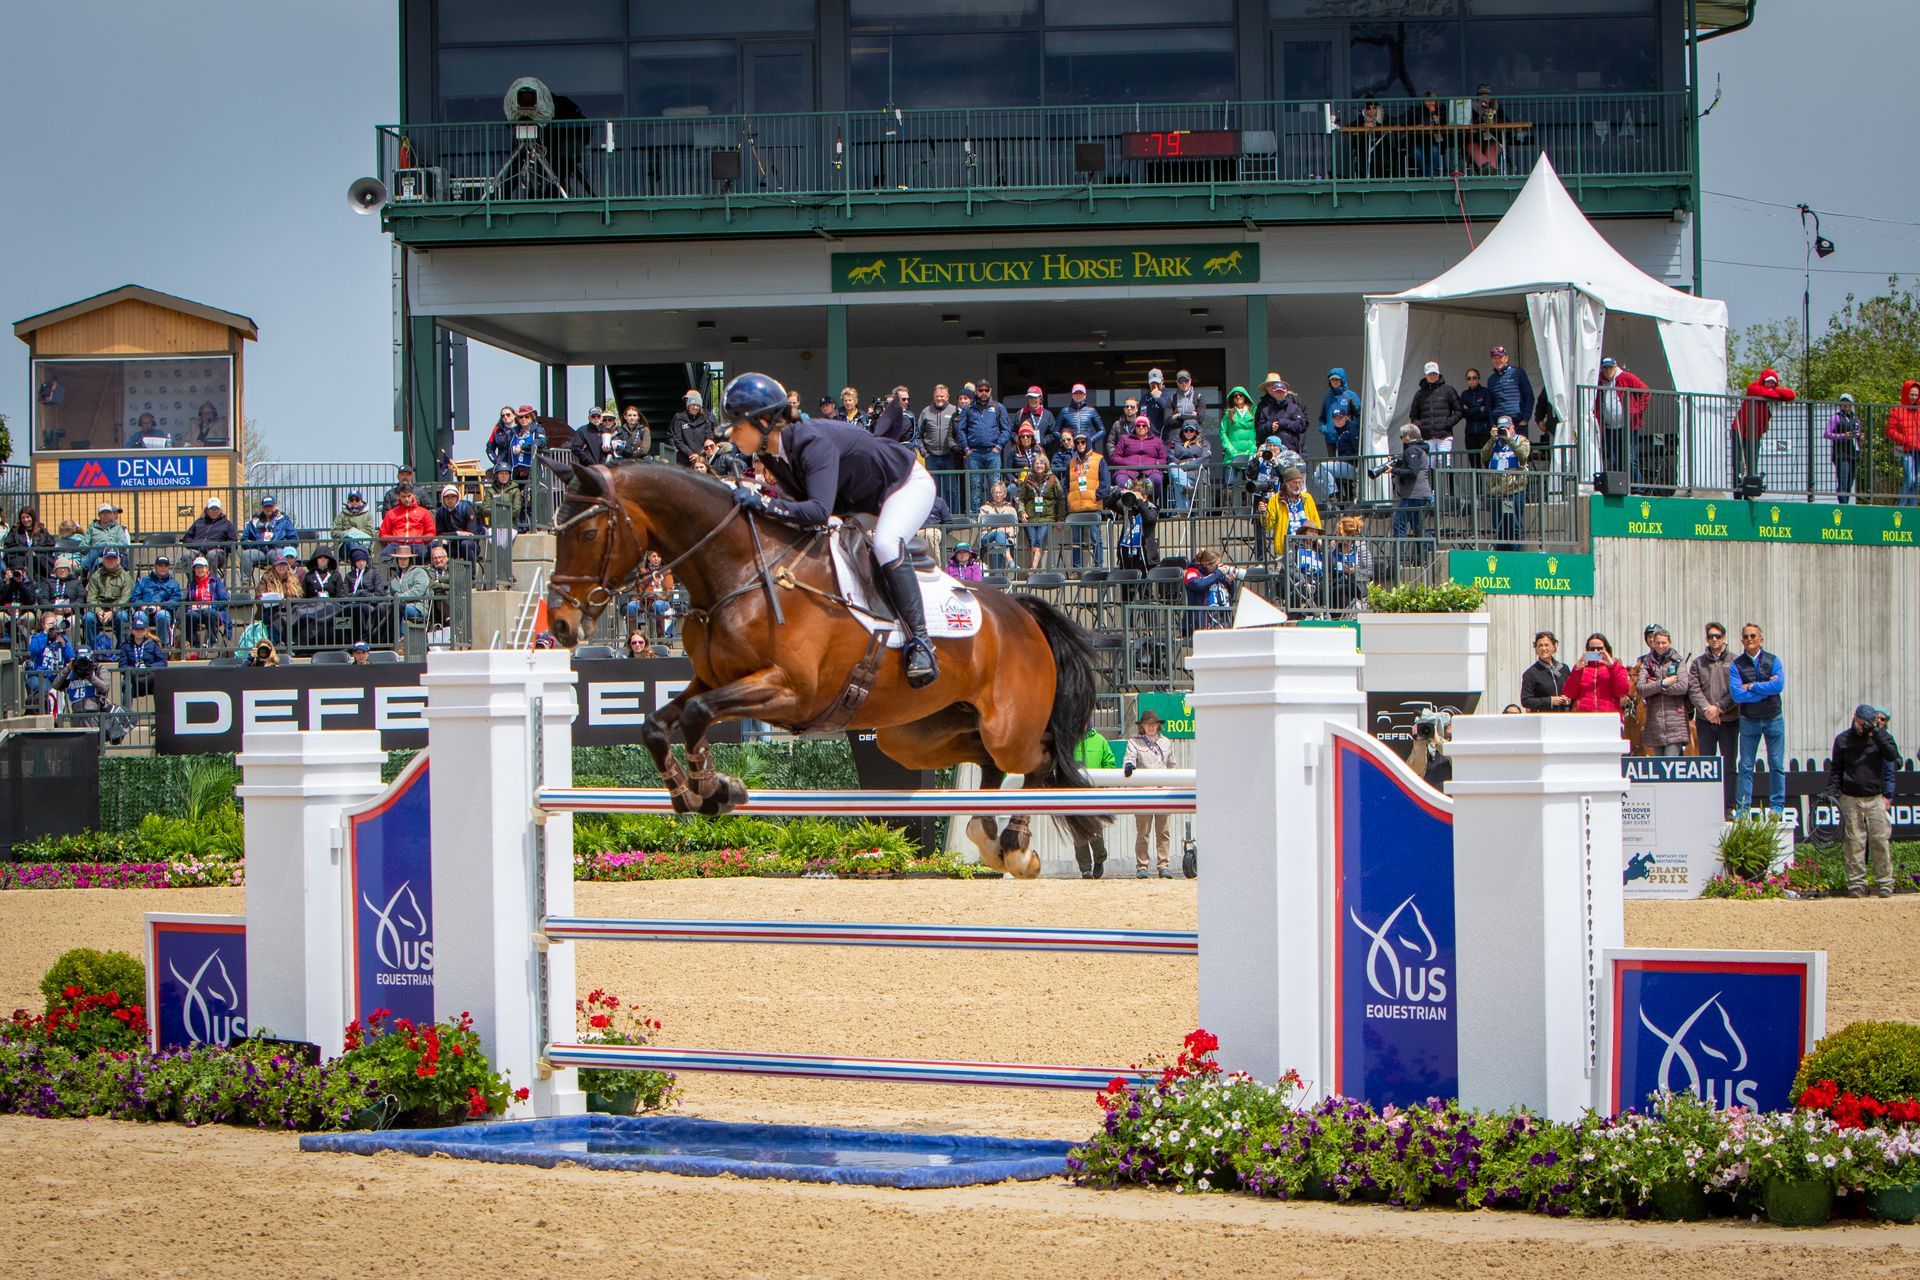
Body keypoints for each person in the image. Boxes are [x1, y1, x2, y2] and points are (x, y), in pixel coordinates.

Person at [720, 371, 942, 687]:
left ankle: (922, 643)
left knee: (887, 543)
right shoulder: (770, 455)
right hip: (860, 502)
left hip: (904, 485)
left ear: (765, 420)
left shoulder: (812, 442)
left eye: (736, 426)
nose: (731, 434)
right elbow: (805, 509)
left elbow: (818, 511)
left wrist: (762, 504)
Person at [1829, 706, 1900, 897]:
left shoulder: (1880, 738)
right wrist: (1831, 792)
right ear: (1855, 719)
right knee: (1854, 842)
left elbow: (1894, 758)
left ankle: (1885, 882)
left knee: (1879, 840)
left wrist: (1877, 733)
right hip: (1850, 797)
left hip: (1875, 797)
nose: (1862, 727)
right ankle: (1857, 884)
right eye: (1860, 723)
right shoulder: (1843, 740)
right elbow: (1836, 770)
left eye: (1866, 724)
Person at [1729, 623, 1787, 819]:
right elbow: (1737, 695)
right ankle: (1744, 809)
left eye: (1753, 635)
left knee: (1776, 764)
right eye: (1745, 636)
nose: (1749, 639)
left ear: (1761, 638)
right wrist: (1764, 691)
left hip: (1773, 718)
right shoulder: (1737, 664)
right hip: (1749, 719)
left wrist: (1752, 686)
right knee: (1745, 765)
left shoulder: (1773, 660)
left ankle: (1777, 807)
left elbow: (1778, 686)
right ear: (1742, 640)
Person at [1688, 621, 1741, 812]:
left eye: (1718, 636)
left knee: (1729, 766)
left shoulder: (1736, 661)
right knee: (1706, 765)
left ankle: (1728, 808)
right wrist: (1708, 711)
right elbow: (1694, 690)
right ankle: (1707, 807)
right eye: (1711, 636)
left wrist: (1719, 708)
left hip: (1729, 720)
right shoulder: (1697, 663)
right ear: (1707, 639)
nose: (1714, 639)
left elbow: (1737, 690)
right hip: (1705, 722)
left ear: (1724, 638)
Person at [1123, 709, 1178, 878]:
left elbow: (1172, 765)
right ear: (1143, 726)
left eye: (1153, 724)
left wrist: (1172, 787)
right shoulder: (1135, 742)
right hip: (1143, 792)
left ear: (1158, 726)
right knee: (1143, 832)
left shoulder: (1166, 742)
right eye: (1148, 724)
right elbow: (1129, 758)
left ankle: (1163, 865)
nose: (1151, 727)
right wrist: (1129, 765)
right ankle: (1142, 866)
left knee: (1163, 831)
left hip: (1162, 792)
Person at [1633, 626, 1694, 757]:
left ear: (1669, 643)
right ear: (1653, 643)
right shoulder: (1647, 663)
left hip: (1675, 722)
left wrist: (1654, 687)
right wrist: (1663, 683)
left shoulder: (1678, 661)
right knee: (1659, 768)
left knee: (1670, 764)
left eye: (1664, 643)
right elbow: (1641, 689)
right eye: (1658, 643)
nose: (1661, 646)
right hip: (1655, 722)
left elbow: (1683, 686)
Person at [1732, 369, 1795, 492]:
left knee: (1752, 464)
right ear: (1763, 380)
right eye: (1768, 381)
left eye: (1773, 382)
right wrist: (1775, 394)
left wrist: (1773, 391)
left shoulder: (1771, 391)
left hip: (1755, 434)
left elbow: (1791, 394)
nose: (1771, 384)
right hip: (1740, 430)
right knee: (1739, 463)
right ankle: (1737, 492)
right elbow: (1757, 391)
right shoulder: (1754, 387)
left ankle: (1749, 492)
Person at [1593, 357, 1649, 487]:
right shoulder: (1600, 381)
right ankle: (1619, 487)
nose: (1607, 371)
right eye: (1605, 368)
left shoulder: (1626, 377)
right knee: (1615, 461)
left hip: (1627, 426)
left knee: (1630, 459)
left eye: (1610, 368)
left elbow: (1645, 391)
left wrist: (1637, 410)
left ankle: (1637, 488)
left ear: (1615, 367)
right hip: (1609, 427)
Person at [1070, 724, 1116, 879]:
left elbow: (1109, 763)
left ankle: (1099, 858)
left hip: (1094, 794)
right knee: (1078, 835)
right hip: (1075, 795)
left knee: (1095, 833)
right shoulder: (1069, 741)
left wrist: (1102, 781)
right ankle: (1085, 868)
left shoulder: (1100, 740)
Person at [957, 384, 1012, 512]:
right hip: (974, 453)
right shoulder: (968, 408)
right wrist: (966, 448)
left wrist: (998, 447)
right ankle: (976, 514)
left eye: (986, 390)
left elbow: (1006, 429)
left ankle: (996, 512)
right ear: (976, 391)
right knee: (975, 485)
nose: (983, 392)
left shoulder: (998, 407)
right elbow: (961, 430)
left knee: (995, 485)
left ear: (990, 391)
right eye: (980, 390)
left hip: (992, 452)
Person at [1482, 414, 1531, 549]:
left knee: (1513, 525)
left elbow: (1523, 456)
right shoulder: (1495, 442)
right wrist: (1492, 439)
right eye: (1501, 429)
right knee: (1499, 525)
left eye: (1507, 429)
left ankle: (1515, 555)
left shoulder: (1521, 440)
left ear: (1513, 428)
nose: (1504, 432)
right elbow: (1484, 456)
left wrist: (1510, 440)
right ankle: (1502, 554)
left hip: (1513, 490)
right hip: (1496, 491)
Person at [1063, 432, 1109, 570]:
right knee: (1076, 542)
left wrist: (1095, 496)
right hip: (1075, 508)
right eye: (1077, 443)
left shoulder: (1099, 459)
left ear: (1088, 442)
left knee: (1095, 539)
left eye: (1083, 442)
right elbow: (1066, 485)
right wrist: (1069, 498)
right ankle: (1077, 569)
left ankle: (1098, 567)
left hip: (1093, 506)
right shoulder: (1071, 463)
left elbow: (1106, 484)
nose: (1080, 445)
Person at [1562, 633, 1632, 718]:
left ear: (1606, 650)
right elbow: (1569, 693)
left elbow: (1623, 690)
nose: (1596, 652)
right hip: (1583, 717)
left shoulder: (1617, 667)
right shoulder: (1581, 668)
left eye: (1599, 649)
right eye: (1592, 649)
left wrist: (1612, 667)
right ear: (1587, 651)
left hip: (1609, 717)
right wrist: (1577, 670)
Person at [1013, 457, 1063, 571]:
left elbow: (1061, 498)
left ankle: (1033, 568)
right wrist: (1022, 512)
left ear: (1046, 465)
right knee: (1032, 541)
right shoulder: (1028, 479)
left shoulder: (1053, 479)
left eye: (1041, 463)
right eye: (1036, 463)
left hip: (1047, 518)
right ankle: (1035, 569)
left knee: (1038, 540)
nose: (1039, 465)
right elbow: (1021, 498)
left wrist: (1060, 518)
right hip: (1031, 518)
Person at [1389, 424, 1432, 554]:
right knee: (1418, 527)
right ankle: (1430, 552)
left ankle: (1397, 558)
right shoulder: (1421, 449)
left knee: (1399, 523)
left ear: (1408, 436)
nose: (1401, 440)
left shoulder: (1412, 450)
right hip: (1422, 494)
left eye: (1402, 437)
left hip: (1412, 494)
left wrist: (1394, 470)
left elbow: (1412, 472)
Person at [1263, 466, 1320, 564]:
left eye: (1300, 482)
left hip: (1308, 546)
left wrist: (1318, 541)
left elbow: (1316, 523)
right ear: (1286, 484)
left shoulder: (1307, 498)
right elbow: (1268, 525)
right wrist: (1264, 513)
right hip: (1286, 548)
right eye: (1295, 482)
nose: (1298, 485)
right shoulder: (1275, 500)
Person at [1410, 361, 1464, 463]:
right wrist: (1423, 426)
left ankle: (1447, 479)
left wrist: (1447, 423)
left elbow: (1459, 411)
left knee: (1444, 463)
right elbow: (1413, 416)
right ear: (1425, 375)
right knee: (1429, 464)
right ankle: (1432, 480)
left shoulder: (1448, 390)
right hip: (1427, 437)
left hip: (1444, 435)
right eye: (1430, 374)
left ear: (1438, 374)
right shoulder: (1419, 394)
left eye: (1434, 373)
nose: (1432, 376)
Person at [1109, 414, 1168, 502]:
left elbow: (1163, 460)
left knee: (1156, 480)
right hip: (1128, 471)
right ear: (1134, 427)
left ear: (1148, 428)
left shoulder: (1157, 441)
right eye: (1138, 425)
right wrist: (1127, 462)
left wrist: (1153, 463)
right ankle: (1124, 506)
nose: (1141, 427)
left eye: (1143, 425)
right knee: (1121, 480)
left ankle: (1150, 502)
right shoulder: (1125, 439)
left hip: (1149, 471)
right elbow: (1115, 457)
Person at [83, 547, 133, 649]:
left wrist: (112, 611)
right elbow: (91, 597)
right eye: (108, 558)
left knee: (122, 617)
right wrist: (97, 610)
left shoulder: (126, 577)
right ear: (103, 560)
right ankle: (94, 650)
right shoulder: (96, 575)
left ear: (118, 560)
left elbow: (126, 598)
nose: (110, 561)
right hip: (99, 610)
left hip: (118, 610)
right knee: (87, 618)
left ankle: (121, 650)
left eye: (113, 558)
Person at [129, 554, 182, 649]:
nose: (162, 568)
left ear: (168, 567)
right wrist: (142, 606)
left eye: (165, 565)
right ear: (155, 566)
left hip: (162, 611)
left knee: (163, 615)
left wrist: (160, 607)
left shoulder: (174, 584)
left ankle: (163, 647)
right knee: (138, 616)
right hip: (144, 611)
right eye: (160, 565)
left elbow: (175, 601)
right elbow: (134, 598)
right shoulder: (143, 581)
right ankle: (140, 646)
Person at [24, 614, 74, 712]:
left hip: (58, 678)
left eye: (54, 623)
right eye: (50, 624)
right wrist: (45, 634)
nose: (52, 626)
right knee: (39, 685)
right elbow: (33, 650)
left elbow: (71, 658)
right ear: (43, 625)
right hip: (40, 676)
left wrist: (64, 646)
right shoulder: (37, 637)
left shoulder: (62, 638)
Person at [1109, 477, 1160, 573]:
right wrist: (1119, 494)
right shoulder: (1127, 508)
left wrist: (1139, 501)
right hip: (1126, 551)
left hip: (1144, 553)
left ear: (1144, 496)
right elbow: (1108, 504)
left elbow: (1149, 519)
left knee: (1144, 586)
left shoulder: (1152, 507)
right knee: (1126, 586)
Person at [1483, 346, 1534, 437]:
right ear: (1491, 360)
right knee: (1501, 451)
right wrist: (1492, 424)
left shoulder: (1517, 373)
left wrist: (1525, 420)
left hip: (1518, 423)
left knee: (1520, 451)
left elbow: (1529, 396)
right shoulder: (1491, 379)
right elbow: (1489, 405)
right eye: (1495, 358)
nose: (1497, 360)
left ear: (1506, 358)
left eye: (1500, 357)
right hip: (1499, 425)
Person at [181, 556, 230, 649]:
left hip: (212, 610)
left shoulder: (216, 582)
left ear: (207, 568)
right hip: (196, 611)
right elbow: (188, 601)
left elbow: (223, 601)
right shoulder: (192, 583)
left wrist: (210, 605)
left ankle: (213, 641)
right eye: (197, 568)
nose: (199, 570)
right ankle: (194, 642)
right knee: (189, 615)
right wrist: (191, 606)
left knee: (208, 612)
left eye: (202, 567)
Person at [1326, 514, 1374, 611]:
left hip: (1356, 586)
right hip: (1335, 584)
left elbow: (1370, 573)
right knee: (1329, 589)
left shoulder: (1360, 547)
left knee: (1342, 589)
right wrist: (1329, 551)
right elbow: (1326, 569)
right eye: (1345, 535)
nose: (1348, 538)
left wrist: (1354, 572)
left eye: (1350, 535)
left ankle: (1344, 617)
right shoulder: (1333, 548)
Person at [1182, 548, 1235, 633]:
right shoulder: (1192, 572)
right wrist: (1217, 573)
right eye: (1217, 564)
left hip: (1223, 620)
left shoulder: (1217, 574)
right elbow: (1199, 585)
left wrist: (1230, 583)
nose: (1219, 567)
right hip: (1202, 621)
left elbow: (1230, 595)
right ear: (1207, 564)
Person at [116, 613, 168, 699]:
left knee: (159, 684)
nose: (139, 631)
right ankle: (126, 712)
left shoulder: (153, 644)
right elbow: (122, 666)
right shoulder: (125, 645)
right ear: (132, 630)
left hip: (149, 677)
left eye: (141, 629)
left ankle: (161, 712)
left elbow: (163, 662)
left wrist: (149, 667)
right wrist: (133, 671)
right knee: (126, 685)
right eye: (136, 629)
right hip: (133, 678)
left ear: (146, 630)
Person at [241, 497, 299, 574]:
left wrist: (281, 544)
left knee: (280, 554)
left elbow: (294, 540)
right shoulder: (254, 522)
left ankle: (281, 582)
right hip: (259, 550)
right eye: (266, 506)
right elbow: (243, 541)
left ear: (275, 506)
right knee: (246, 554)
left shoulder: (284, 520)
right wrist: (256, 544)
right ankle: (246, 584)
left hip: (276, 549)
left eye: (270, 506)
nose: (268, 509)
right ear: (262, 508)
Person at [1253, 376, 1306, 458]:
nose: (1279, 394)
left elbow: (1301, 426)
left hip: (1290, 449)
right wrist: (1270, 427)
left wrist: (1283, 423)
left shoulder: (1295, 408)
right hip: (1271, 450)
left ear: (1285, 392)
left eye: (1281, 392)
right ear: (1273, 393)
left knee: (1290, 471)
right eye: (1277, 392)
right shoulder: (1265, 410)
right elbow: (1259, 430)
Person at [1886, 381, 1920, 506]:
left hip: (1917, 449)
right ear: (1906, 394)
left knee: (1916, 481)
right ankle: (1901, 507)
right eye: (1912, 394)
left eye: (1916, 395)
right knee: (1910, 479)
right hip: (1902, 448)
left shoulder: (1918, 409)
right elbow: (1889, 431)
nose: (1914, 397)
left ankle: (1913, 507)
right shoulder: (1897, 410)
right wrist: (1905, 439)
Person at [1827, 393, 1866, 503]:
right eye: (1843, 403)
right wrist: (1843, 435)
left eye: (1847, 403)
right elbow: (1827, 434)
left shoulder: (1855, 418)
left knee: (1849, 482)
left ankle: (1846, 504)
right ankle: (1843, 506)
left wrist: (1859, 436)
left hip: (1853, 453)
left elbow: (1856, 434)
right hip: (1841, 454)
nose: (1845, 405)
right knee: (1843, 482)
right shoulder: (1836, 417)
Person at [378, 485, 436, 558]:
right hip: (396, 544)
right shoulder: (391, 513)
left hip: (416, 544)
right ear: (399, 496)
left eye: (409, 496)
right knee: (385, 555)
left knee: (423, 554)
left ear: (413, 495)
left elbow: (431, 532)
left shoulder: (423, 512)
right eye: (403, 496)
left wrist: (419, 539)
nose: (406, 499)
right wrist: (395, 539)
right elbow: (382, 534)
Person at [1520, 631, 1572, 711]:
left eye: (1546, 645)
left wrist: (1569, 698)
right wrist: (1550, 701)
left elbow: (1572, 691)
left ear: (1554, 647)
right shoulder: (1531, 673)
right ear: (1536, 650)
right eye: (1540, 646)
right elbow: (1526, 700)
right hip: (1543, 718)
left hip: (1564, 717)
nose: (1544, 648)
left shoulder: (1563, 668)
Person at [1318, 368, 1362, 458]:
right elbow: (1321, 417)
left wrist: (1352, 429)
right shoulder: (1327, 397)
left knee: (1345, 465)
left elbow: (1359, 415)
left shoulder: (1350, 396)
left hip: (1348, 438)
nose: (1334, 382)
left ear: (1342, 379)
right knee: (1333, 465)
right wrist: (1325, 429)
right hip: (1331, 438)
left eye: (1337, 379)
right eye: (1332, 380)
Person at [433, 485, 484, 562]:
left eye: (453, 497)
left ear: (457, 497)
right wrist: (457, 533)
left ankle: (471, 573)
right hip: (450, 545)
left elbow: (471, 534)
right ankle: (439, 572)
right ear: (443, 498)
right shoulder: (440, 512)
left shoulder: (467, 509)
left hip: (469, 544)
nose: (450, 500)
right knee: (434, 545)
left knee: (466, 544)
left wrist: (450, 535)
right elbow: (440, 535)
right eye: (447, 497)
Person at [1168, 423, 1211, 512]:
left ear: (1195, 432)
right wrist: (1180, 464)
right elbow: (1170, 456)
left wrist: (1186, 465)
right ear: (1182, 432)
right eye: (1186, 430)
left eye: (1191, 430)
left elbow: (1205, 459)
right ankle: (1186, 486)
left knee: (1178, 484)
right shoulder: (1175, 442)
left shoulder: (1204, 443)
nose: (1188, 432)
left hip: (1196, 475)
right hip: (1179, 473)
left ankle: (1183, 513)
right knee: (1172, 466)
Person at [79, 502, 132, 574]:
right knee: (98, 554)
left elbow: (124, 545)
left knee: (103, 545)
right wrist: (94, 548)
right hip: (96, 554)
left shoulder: (117, 528)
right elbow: (83, 547)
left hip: (114, 552)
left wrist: (108, 544)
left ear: (111, 514)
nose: (105, 515)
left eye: (108, 513)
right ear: (99, 515)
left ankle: (82, 567)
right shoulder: (92, 529)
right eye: (103, 513)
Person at [1223, 385, 1261, 484]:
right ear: (1232, 399)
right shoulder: (1228, 413)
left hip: (1249, 453)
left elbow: (1258, 429)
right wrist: (1229, 448)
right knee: (1230, 487)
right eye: (1235, 396)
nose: (1238, 397)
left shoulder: (1254, 411)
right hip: (1232, 455)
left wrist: (1254, 447)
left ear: (1245, 397)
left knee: (1250, 487)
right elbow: (1223, 432)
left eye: (1241, 395)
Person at [1, 507, 53, 579]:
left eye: (28, 517)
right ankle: (19, 577)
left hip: (38, 557)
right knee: (18, 560)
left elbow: (49, 545)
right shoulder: (15, 530)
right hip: (20, 556)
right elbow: (9, 545)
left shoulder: (42, 530)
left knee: (41, 559)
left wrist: (35, 551)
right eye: (23, 518)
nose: (25, 520)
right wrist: (25, 550)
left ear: (32, 517)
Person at [1056, 383, 1103, 459]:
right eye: (1075, 393)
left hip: (1087, 448)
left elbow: (1102, 430)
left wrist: (1090, 440)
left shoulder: (1091, 411)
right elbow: (1055, 431)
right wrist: (1065, 440)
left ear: (1085, 395)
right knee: (1071, 470)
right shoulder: (1064, 411)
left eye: (1080, 393)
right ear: (1072, 395)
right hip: (1070, 450)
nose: (1078, 395)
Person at [667, 391, 716, 464]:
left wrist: (699, 454)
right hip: (683, 458)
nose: (695, 407)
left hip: (702, 458)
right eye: (692, 404)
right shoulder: (679, 417)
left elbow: (710, 437)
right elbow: (675, 438)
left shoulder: (707, 418)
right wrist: (690, 453)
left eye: (697, 405)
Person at [1014, 387, 1058, 456]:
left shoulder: (1048, 415)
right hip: (1023, 453)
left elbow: (1053, 434)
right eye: (1030, 397)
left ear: (1040, 398)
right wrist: (1019, 440)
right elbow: (1012, 431)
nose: (1032, 400)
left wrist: (1044, 441)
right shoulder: (1020, 414)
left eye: (1035, 397)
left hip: (1042, 451)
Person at [1458, 368, 1493, 453]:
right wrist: (1479, 409)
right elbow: (1463, 413)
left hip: (1485, 431)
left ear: (1479, 379)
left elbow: (1487, 412)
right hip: (1470, 433)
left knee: (1487, 462)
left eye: (1474, 378)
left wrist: (1470, 411)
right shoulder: (1464, 394)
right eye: (1469, 378)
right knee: (1474, 463)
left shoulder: (1485, 392)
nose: (1472, 380)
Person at [1166, 371, 1204, 446]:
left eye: (1186, 380)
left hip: (1195, 441)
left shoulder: (1199, 397)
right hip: (1176, 440)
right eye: (1181, 381)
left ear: (1190, 381)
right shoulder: (1171, 399)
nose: (1184, 383)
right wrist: (1192, 417)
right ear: (1177, 382)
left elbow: (1200, 419)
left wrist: (1179, 416)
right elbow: (1167, 421)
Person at [1139, 369, 1173, 439]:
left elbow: (1170, 414)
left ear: (1162, 381)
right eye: (1152, 383)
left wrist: (1159, 398)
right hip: (1146, 439)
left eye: (1157, 383)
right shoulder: (1144, 399)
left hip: (1163, 440)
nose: (1155, 386)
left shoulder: (1169, 397)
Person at [484, 406, 518, 470]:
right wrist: (496, 461)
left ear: (514, 415)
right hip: (502, 467)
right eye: (503, 416)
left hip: (518, 465)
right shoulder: (497, 430)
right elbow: (489, 448)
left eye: (508, 415)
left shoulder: (520, 428)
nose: (505, 417)